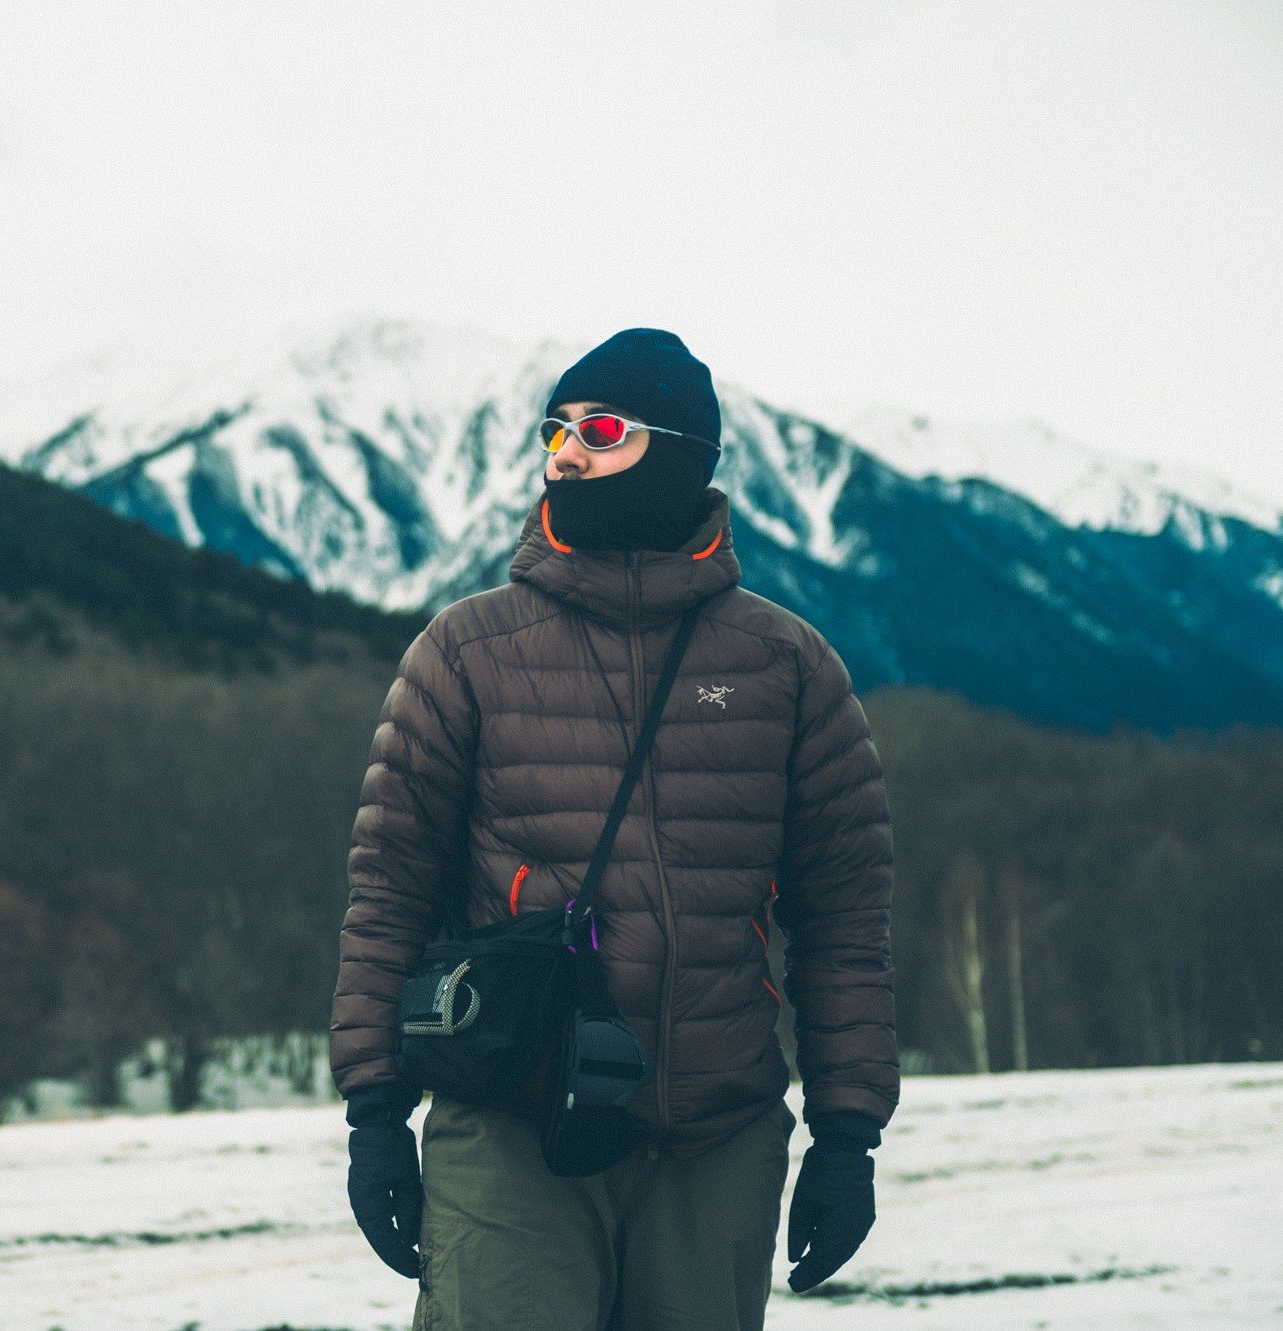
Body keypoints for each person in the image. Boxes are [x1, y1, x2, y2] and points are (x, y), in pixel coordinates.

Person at [329, 329, 896, 1331]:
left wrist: (846, 1132)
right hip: (508, 1125)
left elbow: (845, 917)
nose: (564, 452)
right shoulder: (463, 651)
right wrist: (374, 1112)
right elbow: (388, 894)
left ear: (680, 454)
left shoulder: (786, 665)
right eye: (554, 428)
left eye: (597, 429)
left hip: (713, 1140)